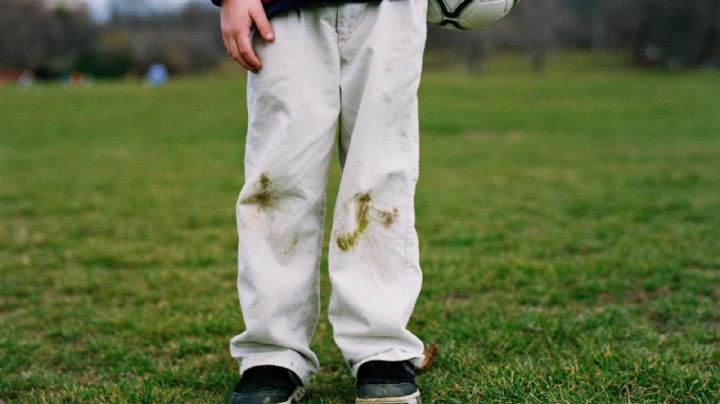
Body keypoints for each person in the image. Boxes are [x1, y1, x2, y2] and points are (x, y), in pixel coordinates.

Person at [212, 0, 428, 401]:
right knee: (276, 178)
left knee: (379, 176)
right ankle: (272, 352)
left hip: (389, 8)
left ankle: (380, 347)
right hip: (280, 8)